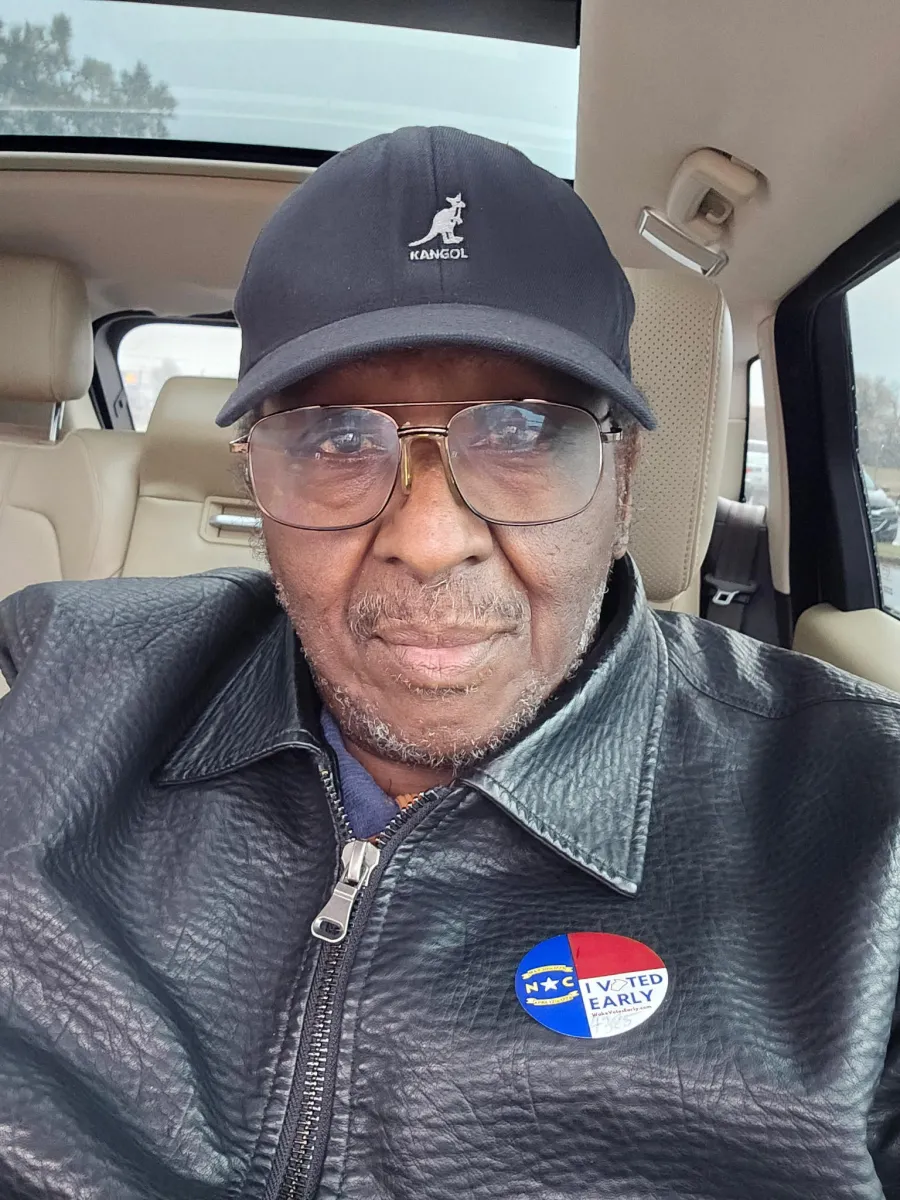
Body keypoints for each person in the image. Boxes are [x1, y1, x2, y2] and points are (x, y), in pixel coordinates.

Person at [1, 126, 900, 1200]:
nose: (428, 537)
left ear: (623, 476)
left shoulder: (866, 835)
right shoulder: (49, 688)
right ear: (256, 481)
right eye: (336, 439)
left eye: (523, 430)